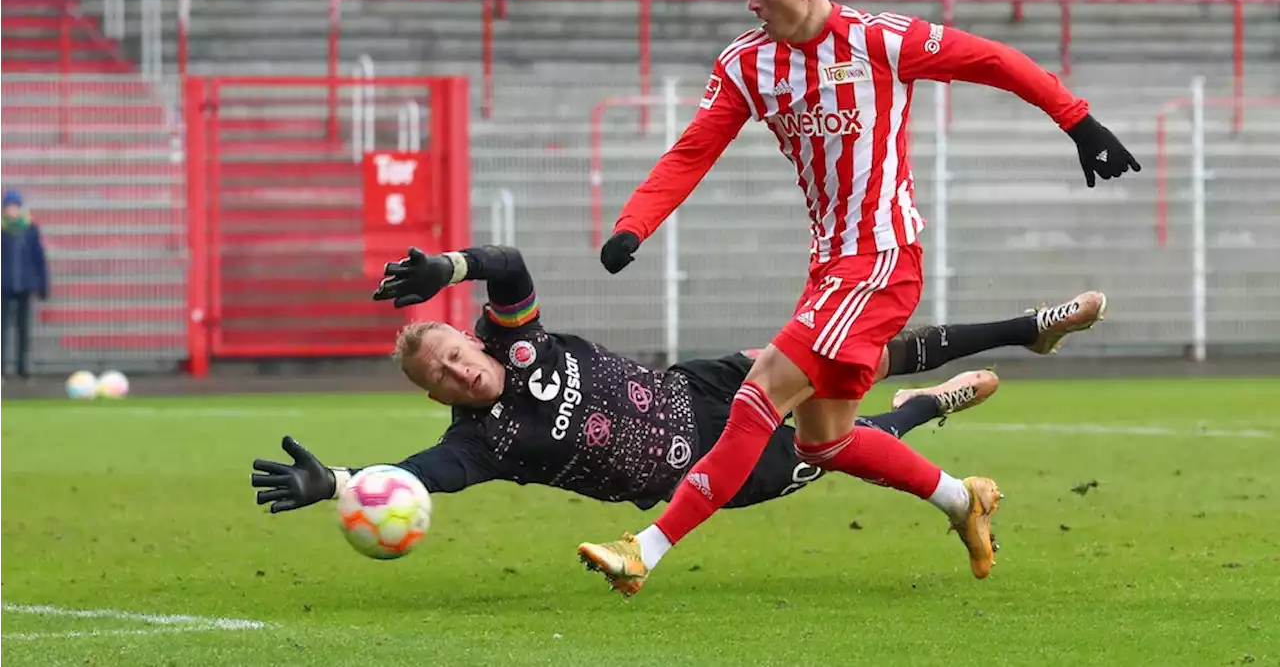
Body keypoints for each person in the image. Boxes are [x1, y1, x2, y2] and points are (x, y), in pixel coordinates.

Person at [580, 0, 1139, 594]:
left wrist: (1078, 121)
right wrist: (635, 224)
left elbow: (991, 60)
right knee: (825, 438)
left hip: (881, 259)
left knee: (761, 393)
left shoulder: (880, 40)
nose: (753, 3)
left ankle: (647, 548)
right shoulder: (747, 64)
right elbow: (693, 151)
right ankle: (963, 500)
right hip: (831, 267)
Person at [250, 245, 1106, 539]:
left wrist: (448, 265)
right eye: (437, 375)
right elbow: (417, 475)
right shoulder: (485, 442)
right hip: (714, 468)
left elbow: (507, 266)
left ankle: (1028, 326)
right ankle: (936, 407)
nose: (455, 369)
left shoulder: (518, 334)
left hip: (706, 382)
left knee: (856, 351)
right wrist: (337, 483)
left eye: (449, 350)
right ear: (438, 394)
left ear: (468, 337)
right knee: (847, 441)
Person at [0, 189, 49, 386]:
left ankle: (23, 369)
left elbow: (39, 258)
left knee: (23, 330)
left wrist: (43, 285)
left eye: (15, 206)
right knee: (1, 330)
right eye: (9, 206)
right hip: (2, 286)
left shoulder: (30, 229)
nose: (12, 210)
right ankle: (2, 370)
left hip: (25, 285)